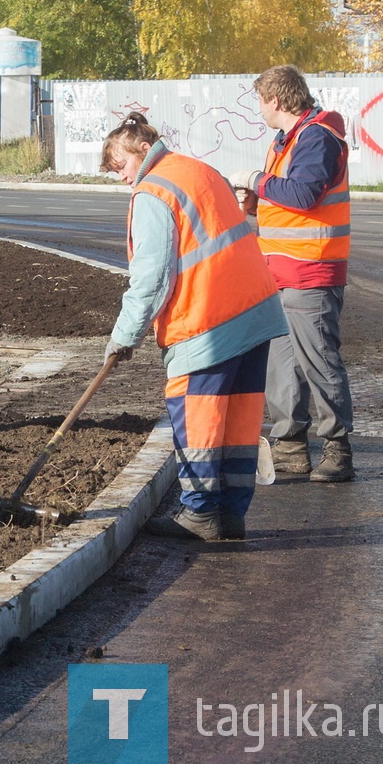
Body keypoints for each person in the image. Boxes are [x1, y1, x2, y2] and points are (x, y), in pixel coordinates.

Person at [101, 113, 287, 540]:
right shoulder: (200, 170)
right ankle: (231, 516)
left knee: (198, 420)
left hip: (207, 322)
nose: (123, 178)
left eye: (121, 166)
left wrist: (124, 336)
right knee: (239, 420)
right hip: (254, 312)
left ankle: (200, 515)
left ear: (140, 149)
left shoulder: (154, 191)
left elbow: (152, 278)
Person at [229, 65, 354, 482]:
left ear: (276, 101)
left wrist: (255, 180)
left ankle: (337, 451)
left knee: (319, 363)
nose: (259, 110)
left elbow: (302, 194)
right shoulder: (288, 140)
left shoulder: (316, 136)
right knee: (280, 367)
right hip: (281, 272)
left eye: (260, 101)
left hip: (312, 272)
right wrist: (255, 203)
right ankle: (290, 447)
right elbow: (287, 201)